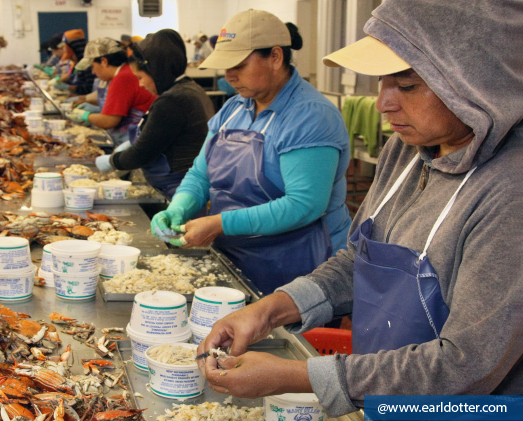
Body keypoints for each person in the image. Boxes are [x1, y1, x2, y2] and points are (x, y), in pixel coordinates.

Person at [198, 0, 523, 417]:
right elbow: (359, 261)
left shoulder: (509, 191)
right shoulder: (405, 151)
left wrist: (300, 376)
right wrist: (267, 311)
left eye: (406, 86)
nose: (381, 103)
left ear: (476, 82)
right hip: (384, 398)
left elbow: (466, 365)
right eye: (383, 82)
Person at [150, 10, 351, 295]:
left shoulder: (310, 116)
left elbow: (304, 205)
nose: (229, 76)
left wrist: (219, 224)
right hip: (238, 256)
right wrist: (177, 208)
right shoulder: (234, 109)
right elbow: (200, 175)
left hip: (298, 267)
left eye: (239, 65)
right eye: (225, 66)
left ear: (276, 57)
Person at [94, 29, 214, 199]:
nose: (140, 84)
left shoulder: (172, 100)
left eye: (140, 77)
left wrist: (111, 161)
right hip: (184, 185)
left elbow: (141, 154)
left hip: (180, 189)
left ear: (157, 70)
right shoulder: (190, 89)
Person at [66, 38, 155, 147]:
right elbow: (111, 96)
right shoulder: (122, 73)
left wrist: (84, 116)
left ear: (104, 61)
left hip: (133, 141)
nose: (93, 72)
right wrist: (84, 99)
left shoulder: (123, 78)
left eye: (93, 66)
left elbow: (109, 121)